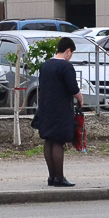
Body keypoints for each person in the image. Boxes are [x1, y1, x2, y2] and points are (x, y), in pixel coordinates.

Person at [33, 36, 84, 187]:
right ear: (68, 51)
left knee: (49, 140)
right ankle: (60, 178)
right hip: (61, 109)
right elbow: (73, 88)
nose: (71, 56)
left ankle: (51, 177)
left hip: (45, 107)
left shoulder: (46, 65)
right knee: (59, 141)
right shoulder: (66, 67)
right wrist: (81, 99)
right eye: (72, 53)